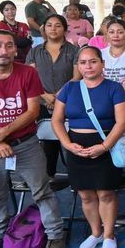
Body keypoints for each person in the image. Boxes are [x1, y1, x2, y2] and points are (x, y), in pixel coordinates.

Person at [0, 30, 65, 248]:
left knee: (41, 191)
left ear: (15, 50)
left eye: (9, 46)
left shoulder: (27, 73)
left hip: (25, 145)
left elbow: (32, 112)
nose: (4, 51)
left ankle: (55, 237)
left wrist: (1, 134)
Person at [51, 46, 125, 248]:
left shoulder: (114, 88)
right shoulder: (69, 88)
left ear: (102, 63)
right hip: (76, 145)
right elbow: (57, 120)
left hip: (106, 143)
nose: (88, 66)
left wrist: (104, 146)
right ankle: (95, 233)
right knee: (85, 194)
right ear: (78, 66)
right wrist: (68, 144)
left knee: (105, 193)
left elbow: (123, 122)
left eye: (93, 61)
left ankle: (109, 234)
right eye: (83, 62)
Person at [26, 14, 80, 179]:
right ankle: (49, 176)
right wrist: (45, 96)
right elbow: (30, 77)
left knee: (74, 138)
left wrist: (58, 96)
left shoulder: (74, 50)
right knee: (48, 141)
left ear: (64, 29)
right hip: (43, 102)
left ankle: (77, 176)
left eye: (57, 25)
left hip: (70, 102)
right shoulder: (35, 51)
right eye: (49, 25)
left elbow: (77, 77)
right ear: (44, 28)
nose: (53, 29)